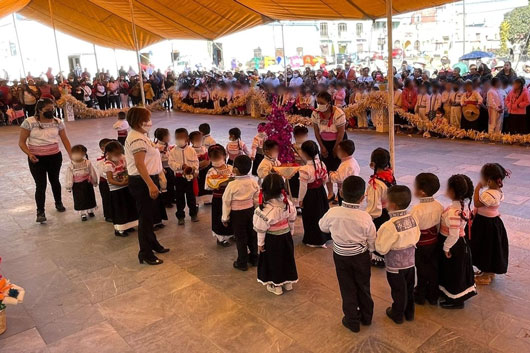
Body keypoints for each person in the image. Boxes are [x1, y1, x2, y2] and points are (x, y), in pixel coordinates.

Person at [319, 176, 375, 333]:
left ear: (341, 192)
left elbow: (322, 227)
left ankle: (352, 321)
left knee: (347, 288)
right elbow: (372, 238)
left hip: (341, 256)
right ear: (362, 197)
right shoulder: (365, 217)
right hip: (361, 256)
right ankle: (367, 317)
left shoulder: (333, 212)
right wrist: (370, 251)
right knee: (363, 286)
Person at [124, 107, 169, 265]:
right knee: (145, 218)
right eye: (147, 119)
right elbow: (139, 164)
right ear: (139, 121)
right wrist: (150, 184)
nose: (150, 122)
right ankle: (145, 252)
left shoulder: (141, 135)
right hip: (143, 181)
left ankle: (153, 243)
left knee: (150, 215)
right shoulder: (136, 138)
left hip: (149, 178)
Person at [19, 98, 71, 223]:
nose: (51, 112)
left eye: (52, 109)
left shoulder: (58, 122)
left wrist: (71, 154)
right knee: (40, 185)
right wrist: (29, 154)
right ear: (39, 110)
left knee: (55, 181)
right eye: (48, 110)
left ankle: (58, 203)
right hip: (36, 159)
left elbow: (64, 139)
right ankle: (40, 211)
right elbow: (21, 142)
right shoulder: (29, 122)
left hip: (54, 157)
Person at [375, 185, 420, 324]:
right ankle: (410, 313)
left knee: (398, 291)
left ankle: (397, 314)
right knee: (409, 288)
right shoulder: (413, 219)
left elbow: (381, 249)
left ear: (392, 205)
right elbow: (417, 236)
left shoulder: (388, 226)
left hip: (395, 267)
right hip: (411, 263)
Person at [254, 174, 298, 296]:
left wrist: (260, 244)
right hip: (286, 236)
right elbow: (292, 220)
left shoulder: (263, 210)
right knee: (286, 258)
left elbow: (261, 230)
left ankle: (276, 285)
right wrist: (291, 232)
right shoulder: (287, 203)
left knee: (274, 261)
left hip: (272, 239)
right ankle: (288, 282)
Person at [438, 174, 477, 309]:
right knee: (452, 271)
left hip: (453, 245)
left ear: (453, 191)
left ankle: (456, 300)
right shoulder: (463, 206)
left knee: (454, 272)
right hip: (458, 243)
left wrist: (446, 248)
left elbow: (454, 234)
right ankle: (449, 293)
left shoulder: (454, 212)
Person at [470, 163, 509, 285]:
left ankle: (486, 275)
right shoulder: (497, 191)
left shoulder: (488, 194)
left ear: (489, 180)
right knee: (490, 248)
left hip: (485, 224)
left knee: (485, 248)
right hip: (493, 223)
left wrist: (477, 189)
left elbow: (476, 203)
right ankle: (488, 272)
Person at [410, 173, 444, 305]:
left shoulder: (416, 210)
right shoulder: (439, 206)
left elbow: (413, 229)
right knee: (433, 268)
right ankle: (433, 295)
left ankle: (420, 295)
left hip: (421, 244)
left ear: (422, 192)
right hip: (434, 242)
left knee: (421, 269)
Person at [222, 155, 260, 271]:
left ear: (235, 170)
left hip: (237, 214)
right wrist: (256, 211)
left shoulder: (232, 185)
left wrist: (225, 218)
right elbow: (257, 198)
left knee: (240, 238)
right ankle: (254, 258)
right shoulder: (253, 182)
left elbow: (226, 201)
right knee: (252, 235)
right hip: (250, 212)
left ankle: (242, 262)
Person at [311, 91, 347, 202]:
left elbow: (341, 132)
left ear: (329, 102)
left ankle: (340, 193)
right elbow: (316, 131)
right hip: (324, 142)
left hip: (339, 142)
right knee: (326, 169)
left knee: (338, 168)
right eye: (317, 102)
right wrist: (322, 146)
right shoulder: (315, 114)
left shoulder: (338, 113)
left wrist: (336, 148)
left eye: (321, 103)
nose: (319, 105)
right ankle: (330, 193)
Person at [365, 148, 396, 267]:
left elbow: (374, 207)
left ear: (372, 164)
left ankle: (378, 259)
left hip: (380, 214)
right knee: (386, 234)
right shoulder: (389, 175)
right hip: (389, 210)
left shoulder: (376, 184)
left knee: (378, 235)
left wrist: (368, 217)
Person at [298, 140, 330, 247]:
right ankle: (324, 237)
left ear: (304, 153)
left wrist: (300, 200)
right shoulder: (322, 163)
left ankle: (313, 240)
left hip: (310, 194)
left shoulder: (304, 169)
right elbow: (326, 179)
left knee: (311, 216)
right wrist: (320, 186)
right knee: (321, 213)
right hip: (320, 191)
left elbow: (303, 187)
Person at [104, 141, 138, 237]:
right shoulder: (108, 165)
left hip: (126, 187)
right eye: (116, 154)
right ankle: (120, 229)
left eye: (120, 153)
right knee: (120, 209)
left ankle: (129, 224)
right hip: (116, 191)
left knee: (129, 206)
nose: (118, 155)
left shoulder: (122, 159)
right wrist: (120, 183)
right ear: (108, 153)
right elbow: (110, 180)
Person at [168, 128, 199, 225]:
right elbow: (171, 163)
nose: (179, 140)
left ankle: (193, 214)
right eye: (177, 138)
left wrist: (194, 170)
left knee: (191, 197)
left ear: (187, 138)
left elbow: (196, 162)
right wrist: (180, 166)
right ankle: (180, 216)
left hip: (189, 177)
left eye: (181, 137)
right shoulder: (173, 151)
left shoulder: (191, 150)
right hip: (178, 177)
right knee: (180, 198)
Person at [205, 144, 234, 247]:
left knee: (231, 215)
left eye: (219, 158)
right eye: (214, 158)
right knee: (219, 216)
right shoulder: (211, 171)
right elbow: (208, 186)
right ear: (210, 158)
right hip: (219, 198)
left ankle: (232, 233)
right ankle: (221, 238)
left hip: (231, 198)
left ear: (225, 156)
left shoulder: (230, 168)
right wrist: (219, 183)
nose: (217, 160)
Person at [64, 145, 98, 222]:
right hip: (77, 185)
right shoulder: (71, 165)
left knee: (90, 197)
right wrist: (69, 186)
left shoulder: (87, 162)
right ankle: (83, 213)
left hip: (87, 183)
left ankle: (90, 210)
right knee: (80, 199)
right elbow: (69, 176)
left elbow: (92, 172)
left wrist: (94, 180)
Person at [329, 140, 360, 205]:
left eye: (338, 150)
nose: (337, 152)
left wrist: (332, 174)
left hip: (345, 190)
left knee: (343, 204)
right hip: (353, 187)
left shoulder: (345, 165)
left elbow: (339, 178)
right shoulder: (353, 161)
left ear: (344, 152)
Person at [154, 128, 175, 209]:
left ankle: (172, 198)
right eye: (168, 135)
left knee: (171, 183)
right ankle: (166, 201)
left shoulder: (166, 145)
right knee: (165, 185)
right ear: (163, 137)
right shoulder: (157, 147)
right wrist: (162, 169)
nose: (169, 137)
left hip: (169, 167)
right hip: (163, 168)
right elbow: (158, 159)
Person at [96, 138, 113, 222]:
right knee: (106, 198)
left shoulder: (113, 155)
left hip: (114, 181)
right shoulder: (100, 159)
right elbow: (102, 171)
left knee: (113, 198)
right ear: (102, 148)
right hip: (104, 182)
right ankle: (108, 215)